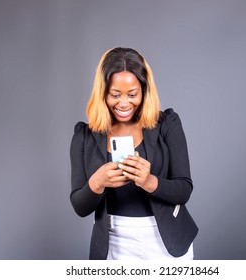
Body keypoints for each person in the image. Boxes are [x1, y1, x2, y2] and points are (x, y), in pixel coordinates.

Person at [70, 47, 198, 260]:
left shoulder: (167, 124)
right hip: (113, 242)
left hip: (166, 240)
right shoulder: (84, 135)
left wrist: (149, 181)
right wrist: (97, 182)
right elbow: (80, 206)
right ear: (103, 93)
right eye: (115, 95)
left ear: (144, 91)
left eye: (132, 94)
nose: (123, 103)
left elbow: (184, 189)